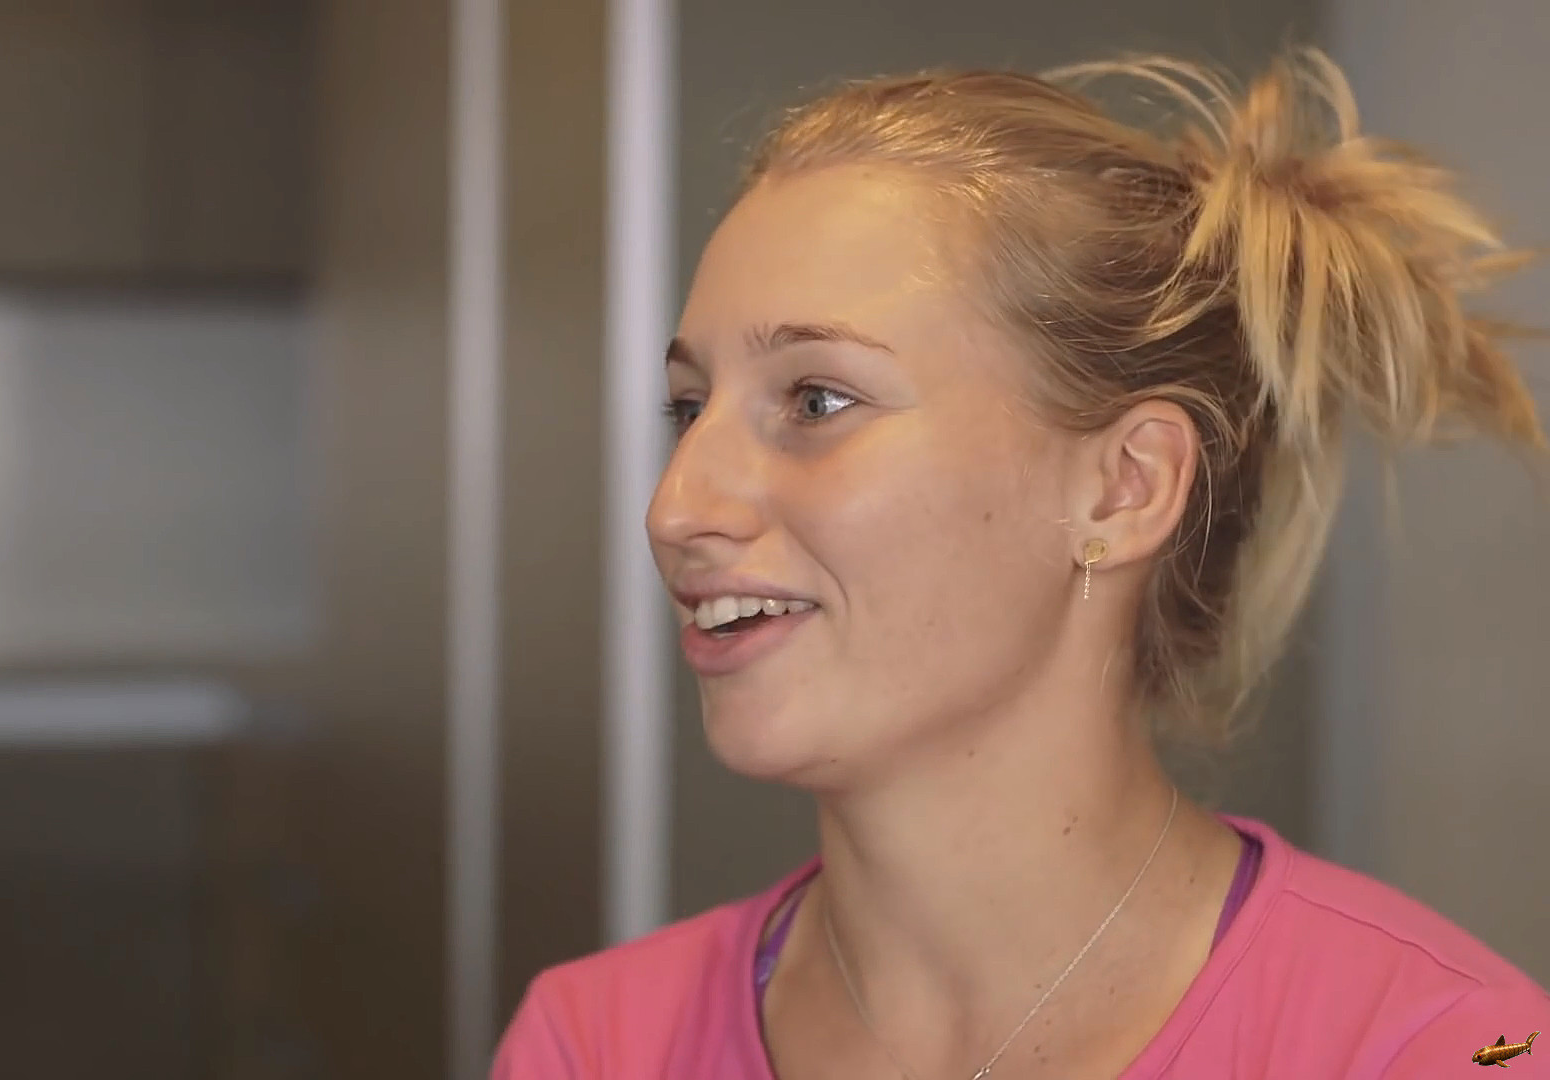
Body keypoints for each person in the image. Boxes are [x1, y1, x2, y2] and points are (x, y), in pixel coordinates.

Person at [493, 47, 1549, 1079]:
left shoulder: (1443, 1047)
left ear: (1124, 486)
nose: (676, 508)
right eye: (688, 408)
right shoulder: (595, 1045)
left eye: (817, 400)